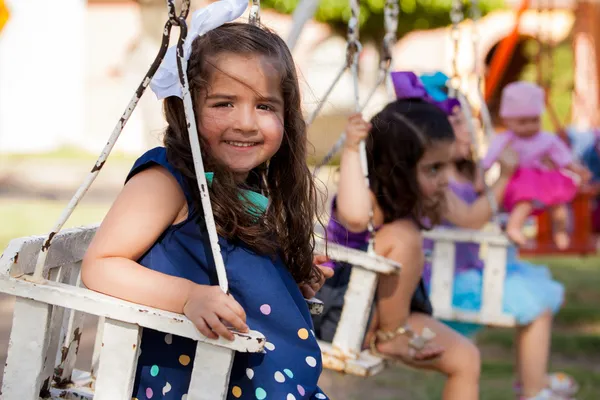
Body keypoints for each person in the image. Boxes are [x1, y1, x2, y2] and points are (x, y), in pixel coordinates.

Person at [81, 3, 331, 399]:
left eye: (265, 106)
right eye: (223, 103)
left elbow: (232, 271)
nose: (246, 122)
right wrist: (187, 297)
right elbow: (101, 266)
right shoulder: (167, 180)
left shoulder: (246, 183)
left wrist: (283, 278)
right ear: (187, 109)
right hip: (195, 385)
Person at [315, 74, 483, 399]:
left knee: (466, 357)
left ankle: (394, 332)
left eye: (446, 166)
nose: (445, 178)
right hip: (341, 314)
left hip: (396, 315)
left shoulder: (414, 198)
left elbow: (470, 217)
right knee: (404, 235)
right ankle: (392, 336)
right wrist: (352, 148)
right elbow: (352, 215)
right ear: (398, 167)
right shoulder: (367, 203)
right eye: (434, 169)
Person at [420, 72, 579, 400]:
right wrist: (504, 174)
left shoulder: (461, 173)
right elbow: (468, 220)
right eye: (461, 123)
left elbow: (491, 204)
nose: (470, 130)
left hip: (466, 271)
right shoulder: (434, 178)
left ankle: (533, 381)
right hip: (446, 281)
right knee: (535, 305)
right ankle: (534, 390)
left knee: (538, 299)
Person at [481, 81, 588, 249]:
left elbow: (563, 158)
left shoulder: (547, 138)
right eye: (523, 122)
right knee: (525, 201)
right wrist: (481, 174)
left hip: (544, 178)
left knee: (559, 203)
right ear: (507, 121)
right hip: (520, 180)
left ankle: (561, 231)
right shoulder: (505, 139)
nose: (530, 127)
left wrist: (577, 170)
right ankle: (514, 227)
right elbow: (489, 159)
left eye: (535, 120)